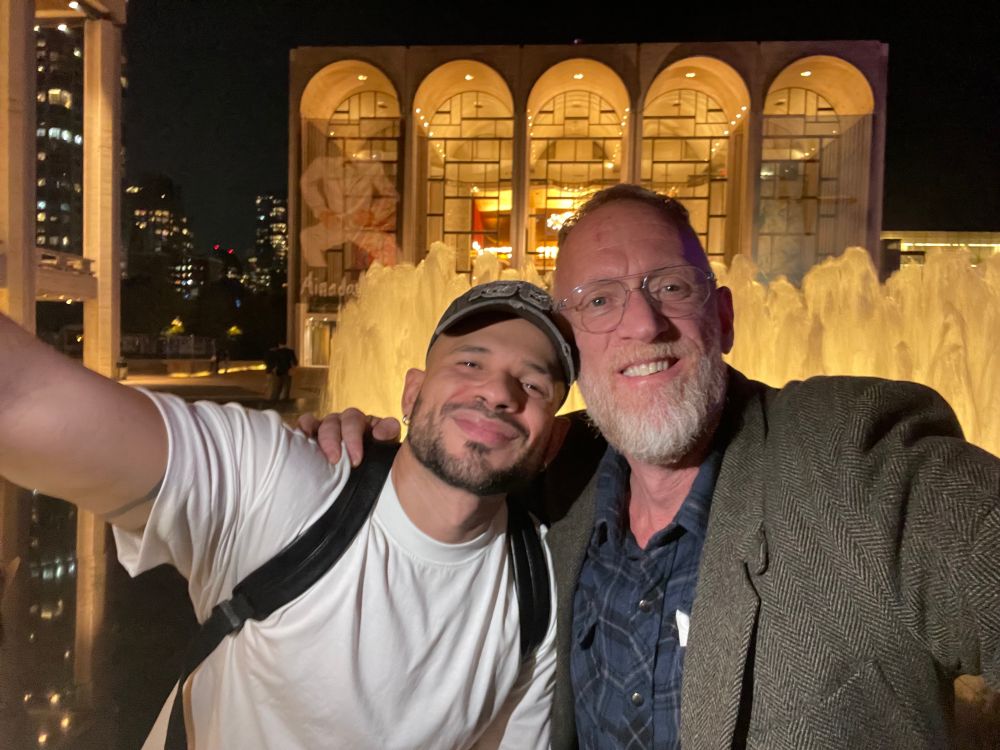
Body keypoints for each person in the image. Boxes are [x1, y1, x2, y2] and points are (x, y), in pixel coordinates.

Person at [316, 184, 1000, 749]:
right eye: (601, 299)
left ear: (724, 318)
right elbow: (441, 478)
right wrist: (355, 455)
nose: (643, 325)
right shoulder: (557, 477)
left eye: (671, 287)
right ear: (570, 349)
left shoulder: (854, 459)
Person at [0, 279, 578, 749]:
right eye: (471, 364)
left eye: (533, 382)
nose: (500, 392)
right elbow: (24, 400)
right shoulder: (284, 485)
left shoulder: (541, 592)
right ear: (411, 394)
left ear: (551, 436)